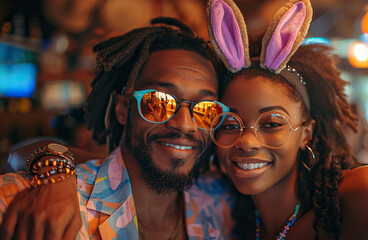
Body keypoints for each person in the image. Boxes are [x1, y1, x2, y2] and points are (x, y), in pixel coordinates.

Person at [205, 0, 368, 239]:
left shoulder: (366, 193)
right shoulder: (233, 223)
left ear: (306, 133)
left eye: (272, 123)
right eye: (229, 124)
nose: (247, 142)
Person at [0, 17, 236, 239]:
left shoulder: (225, 204)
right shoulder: (27, 204)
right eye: (158, 102)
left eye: (205, 109)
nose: (185, 124)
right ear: (122, 109)